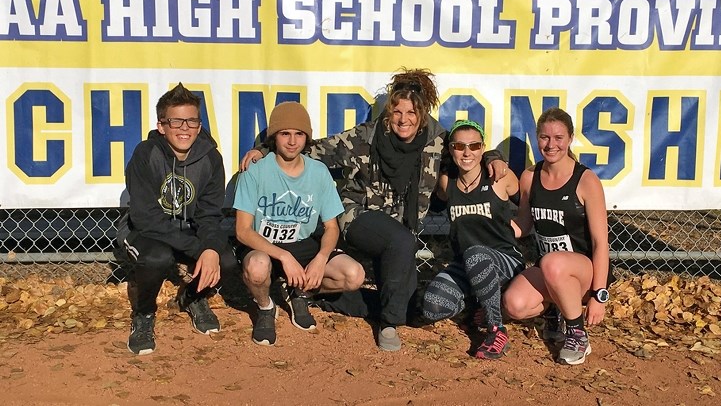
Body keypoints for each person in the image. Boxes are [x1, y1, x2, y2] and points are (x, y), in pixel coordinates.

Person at [241, 68, 509, 351]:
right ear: (389, 112)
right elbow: (316, 148)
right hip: (357, 213)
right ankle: (388, 326)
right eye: (397, 112)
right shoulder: (367, 136)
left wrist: (493, 156)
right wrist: (265, 149)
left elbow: (465, 151)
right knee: (400, 246)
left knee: (410, 308)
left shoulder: (437, 141)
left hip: (399, 228)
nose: (403, 119)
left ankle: (310, 293)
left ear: (421, 116)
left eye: (411, 113)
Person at [117, 83, 239, 355]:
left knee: (227, 259)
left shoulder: (211, 158)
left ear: (199, 124)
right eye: (176, 121)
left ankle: (192, 297)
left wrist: (210, 248)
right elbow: (145, 217)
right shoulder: (145, 154)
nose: (184, 128)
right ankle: (144, 314)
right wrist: (200, 250)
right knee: (159, 258)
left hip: (187, 229)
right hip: (145, 232)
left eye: (192, 120)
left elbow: (209, 214)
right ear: (162, 125)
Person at [233, 102, 365, 346]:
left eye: (299, 134)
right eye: (285, 134)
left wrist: (321, 258)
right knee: (258, 266)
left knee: (353, 275)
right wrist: (284, 257)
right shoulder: (255, 171)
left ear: (307, 138)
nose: (292, 141)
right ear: (274, 137)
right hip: (264, 246)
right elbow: (242, 230)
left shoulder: (318, 172)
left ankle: (299, 293)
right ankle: (265, 307)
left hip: (303, 244)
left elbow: (332, 227)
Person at [502, 107, 612, 365]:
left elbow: (600, 242)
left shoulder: (586, 180)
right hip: (551, 271)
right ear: (537, 138)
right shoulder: (530, 176)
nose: (551, 145)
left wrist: (599, 294)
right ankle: (556, 309)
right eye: (544, 137)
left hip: (583, 272)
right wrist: (491, 226)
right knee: (514, 304)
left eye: (558, 138)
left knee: (552, 261)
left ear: (570, 139)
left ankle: (577, 333)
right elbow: (523, 224)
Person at [421, 119, 524, 359]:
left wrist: (519, 229)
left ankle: (496, 328)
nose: (467, 152)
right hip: (467, 264)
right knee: (433, 306)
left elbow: (531, 206)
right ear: (451, 150)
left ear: (483, 148)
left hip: (505, 260)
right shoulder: (447, 184)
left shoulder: (500, 178)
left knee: (477, 253)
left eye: (474, 146)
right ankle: (479, 303)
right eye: (459, 146)